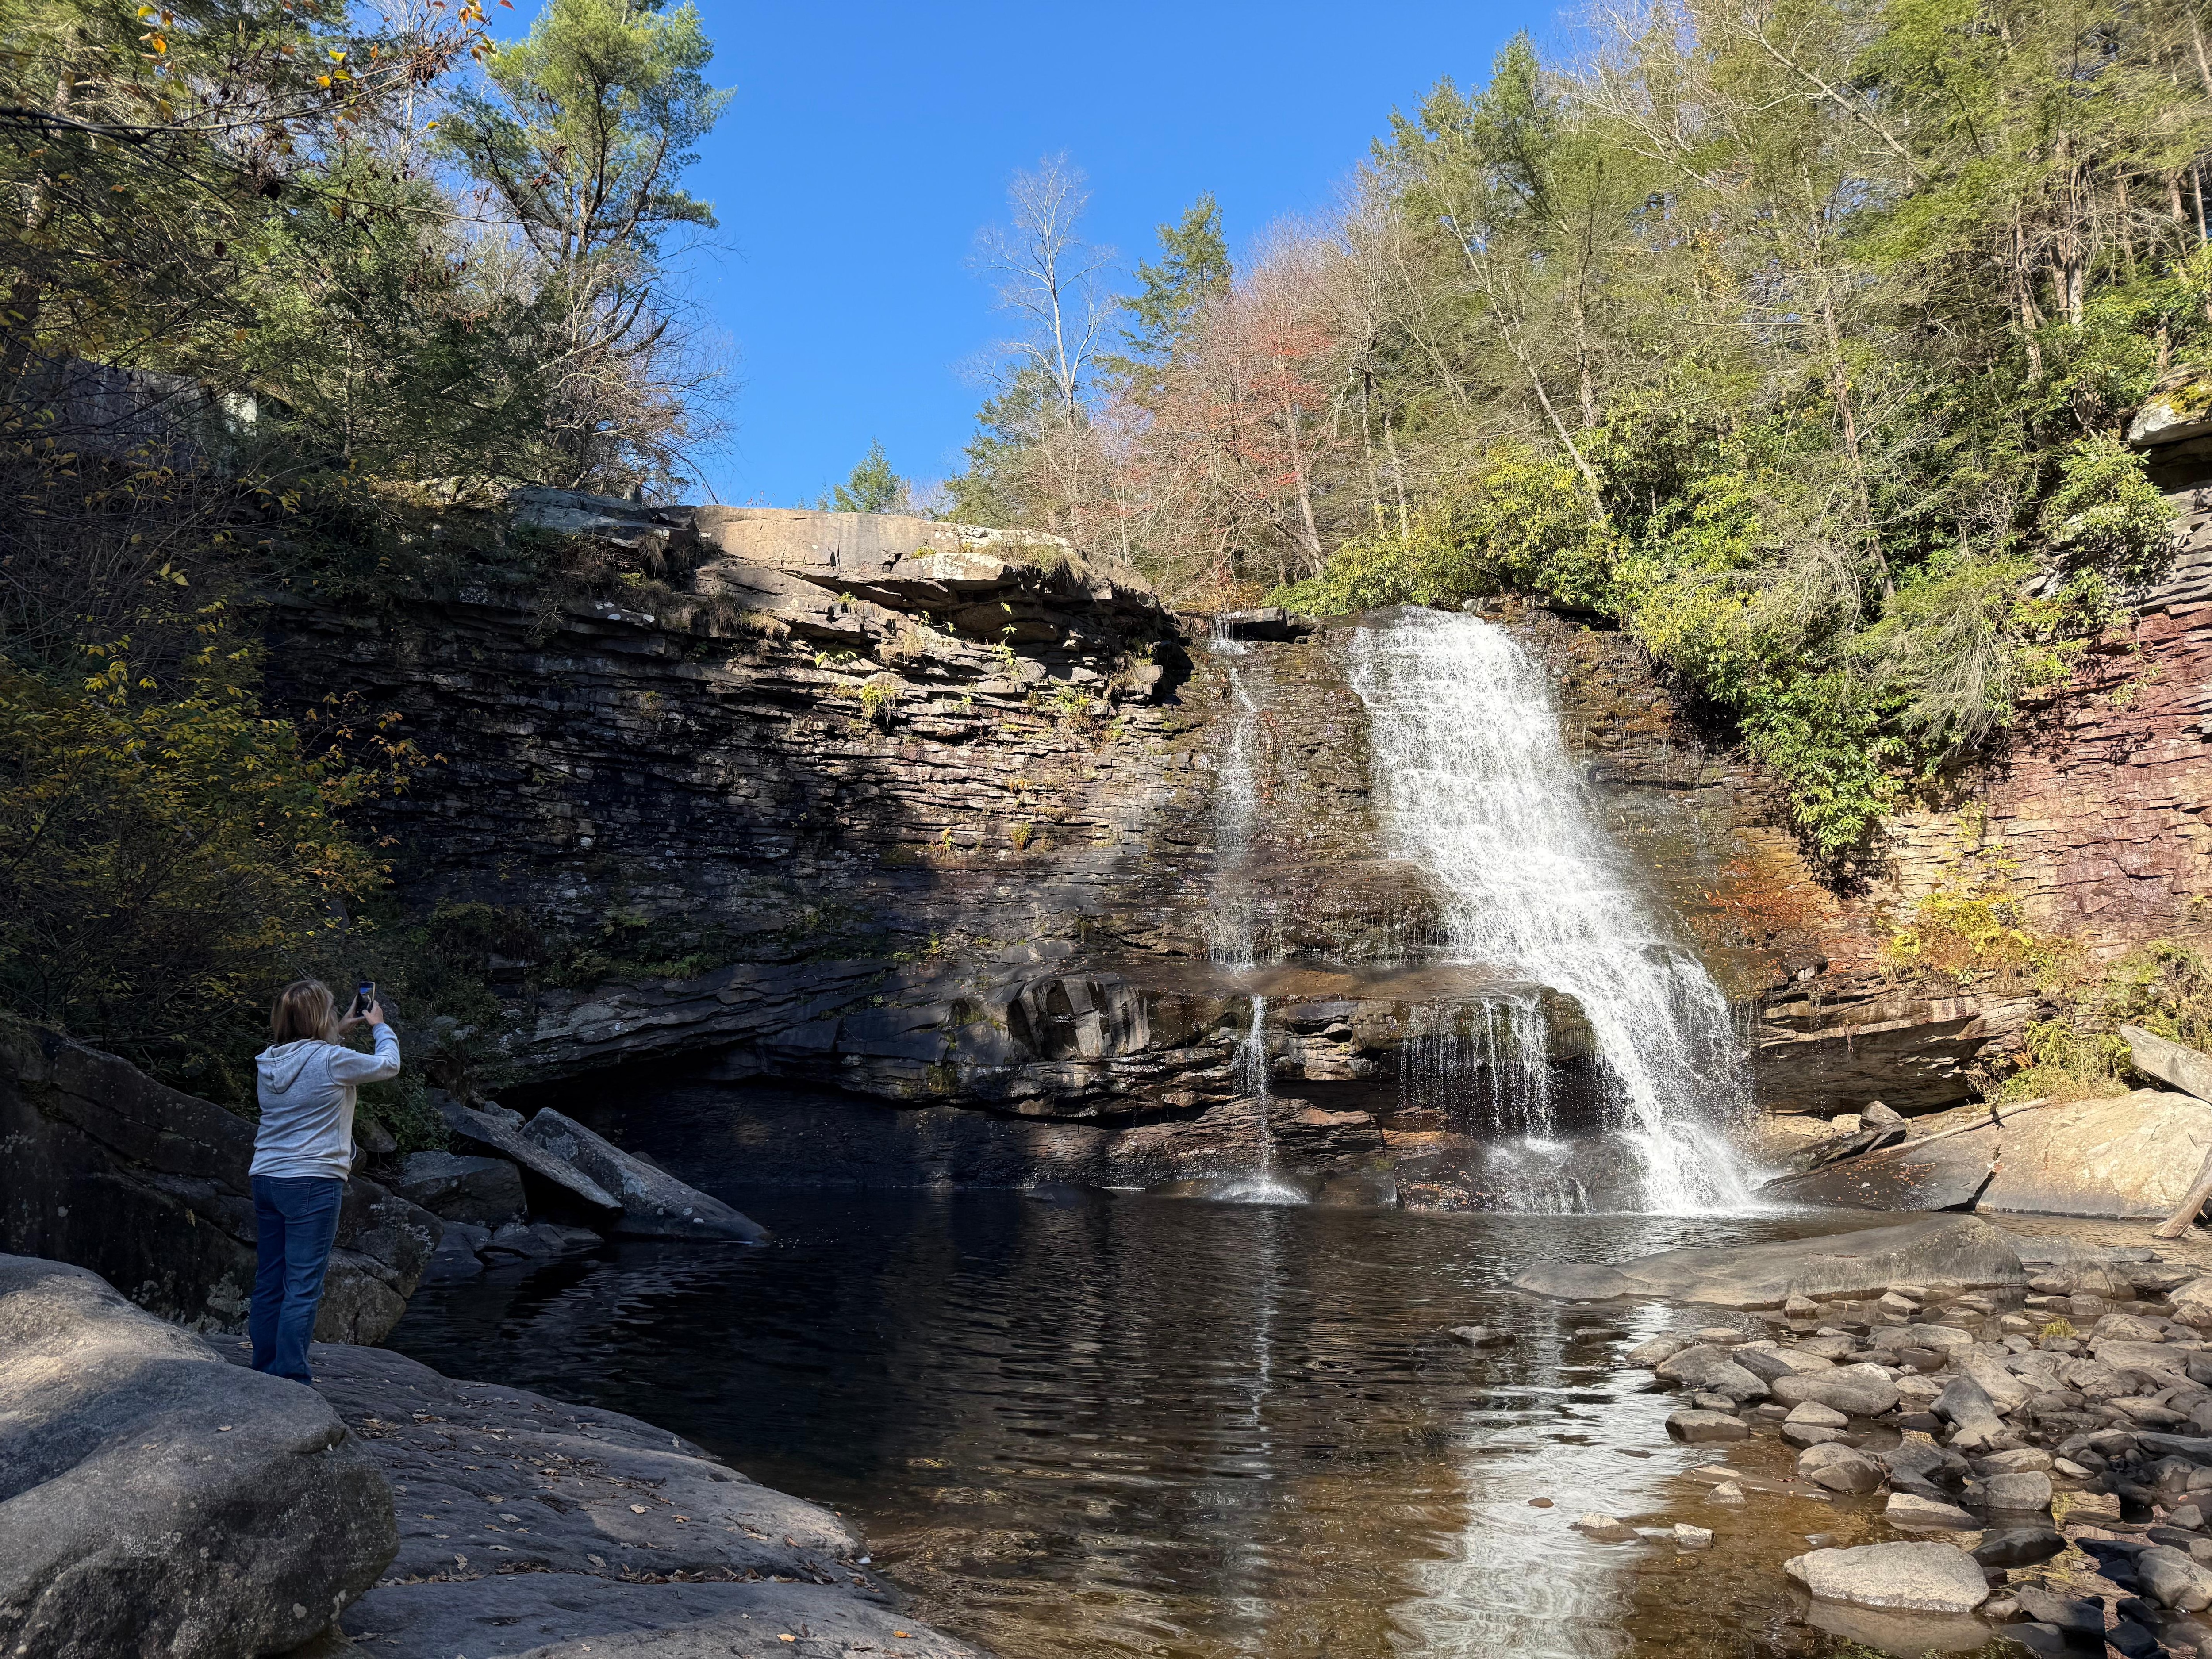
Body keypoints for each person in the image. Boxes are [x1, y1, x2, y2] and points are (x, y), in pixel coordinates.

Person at [249, 979, 400, 1383]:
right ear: (321, 1017)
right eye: (332, 1011)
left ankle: (264, 1373)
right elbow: (388, 1065)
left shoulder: (269, 1061)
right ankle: (293, 1381)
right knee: (302, 1286)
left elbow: (308, 1060)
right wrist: (379, 1026)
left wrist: (341, 1030)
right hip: (312, 1182)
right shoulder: (333, 1061)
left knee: (270, 1282)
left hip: (266, 1178)